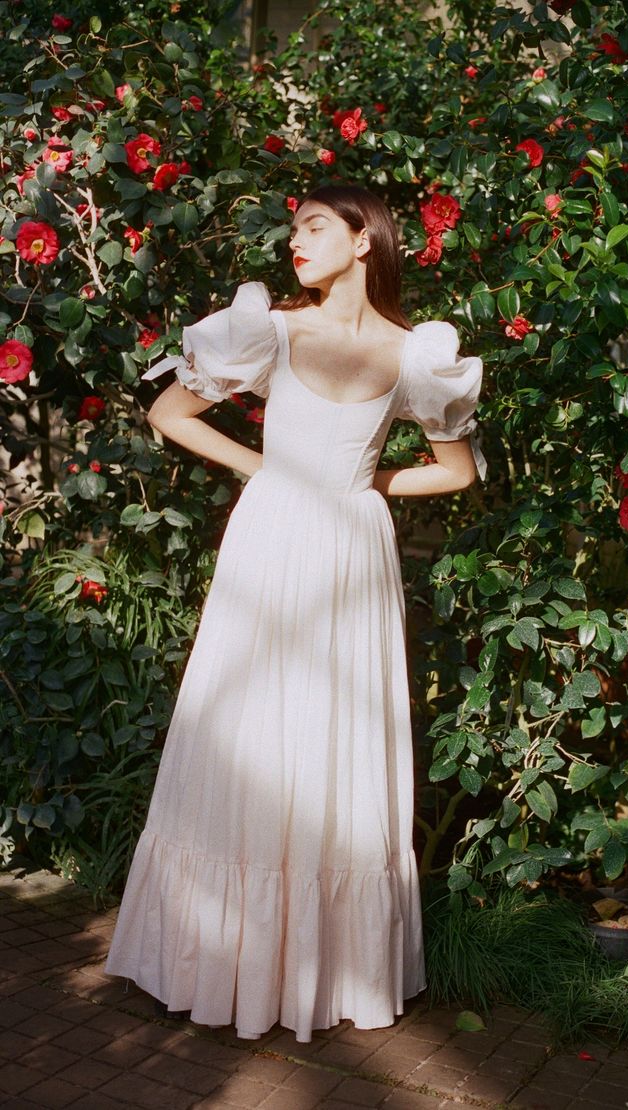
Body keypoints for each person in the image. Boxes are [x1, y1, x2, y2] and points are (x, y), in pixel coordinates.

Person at [104, 183, 485, 1043]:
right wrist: (265, 471)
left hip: (351, 551)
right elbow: (171, 413)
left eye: (314, 228)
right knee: (246, 732)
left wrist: (363, 482)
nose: (294, 244)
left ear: (364, 242)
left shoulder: (415, 355)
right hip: (272, 539)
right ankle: (220, 963)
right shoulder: (271, 328)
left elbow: (456, 472)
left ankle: (323, 973)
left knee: (331, 739)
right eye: (293, 230)